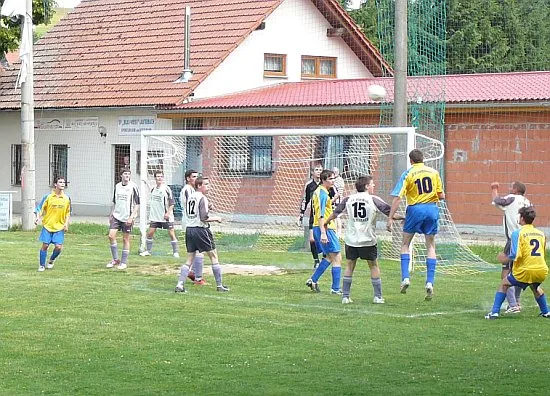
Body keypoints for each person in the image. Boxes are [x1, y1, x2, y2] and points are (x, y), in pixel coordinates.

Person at [326, 175, 403, 304]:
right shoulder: (373, 199)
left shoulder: (348, 199)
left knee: (350, 265)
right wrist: (404, 218)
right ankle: (378, 297)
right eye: (372, 184)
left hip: (351, 240)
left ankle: (345, 296)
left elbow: (335, 213)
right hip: (368, 240)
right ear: (367, 186)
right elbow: (391, 214)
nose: (374, 186)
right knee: (373, 266)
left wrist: (325, 223)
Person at [387, 149, 445, 300]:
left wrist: (390, 217)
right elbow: (441, 196)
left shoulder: (408, 173)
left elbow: (398, 198)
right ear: (423, 159)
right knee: (431, 245)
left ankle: (405, 278)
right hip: (432, 208)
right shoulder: (434, 172)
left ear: (411, 160)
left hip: (415, 209)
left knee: (405, 244)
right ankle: (430, 282)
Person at [485, 206, 549, 319]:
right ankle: (546, 312)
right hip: (541, 270)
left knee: (504, 284)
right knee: (535, 286)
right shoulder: (541, 234)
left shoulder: (517, 233)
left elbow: (514, 254)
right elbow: (542, 253)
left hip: (525, 270)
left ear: (522, 218)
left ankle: (494, 313)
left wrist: (504, 258)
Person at [175, 176, 229, 293]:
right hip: (200, 230)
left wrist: (207, 207)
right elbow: (204, 217)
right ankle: (219, 285)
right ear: (199, 186)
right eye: (206, 184)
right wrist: (216, 218)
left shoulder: (191, 197)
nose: (209, 187)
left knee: (189, 259)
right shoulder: (202, 198)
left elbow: (196, 211)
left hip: (189, 229)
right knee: (213, 256)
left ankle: (180, 284)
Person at [491, 181, 531, 313]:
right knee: (519, 272)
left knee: (506, 273)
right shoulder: (528, 201)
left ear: (515, 190)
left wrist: (494, 188)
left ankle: (513, 304)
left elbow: (497, 200)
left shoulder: (512, 198)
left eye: (511, 187)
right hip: (527, 238)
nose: (509, 189)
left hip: (514, 239)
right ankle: (517, 302)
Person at [305, 169, 342, 294]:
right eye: (331, 179)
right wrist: (323, 232)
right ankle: (335, 289)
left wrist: (333, 200)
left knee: (328, 257)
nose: (333, 181)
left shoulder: (322, 192)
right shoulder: (321, 193)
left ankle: (313, 280)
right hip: (325, 227)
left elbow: (323, 207)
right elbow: (321, 214)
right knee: (337, 256)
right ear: (324, 180)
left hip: (320, 227)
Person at [34, 176, 71, 272]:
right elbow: (39, 209)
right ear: (55, 184)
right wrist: (37, 218)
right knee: (45, 245)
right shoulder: (48, 197)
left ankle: (51, 260)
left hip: (59, 227)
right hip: (48, 226)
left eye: (64, 182)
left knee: (58, 247)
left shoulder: (67, 199)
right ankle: (42, 265)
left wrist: (66, 224)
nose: (63, 184)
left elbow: (68, 212)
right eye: (60, 182)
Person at [139, 171, 179, 258]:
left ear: (163, 178)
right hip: (155, 217)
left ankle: (175, 252)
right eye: (157, 176)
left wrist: (168, 213)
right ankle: (148, 251)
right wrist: (146, 183)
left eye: (161, 176)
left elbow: (172, 203)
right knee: (149, 234)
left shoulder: (166, 189)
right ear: (155, 178)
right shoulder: (154, 189)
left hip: (165, 217)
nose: (159, 178)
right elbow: (151, 189)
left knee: (171, 234)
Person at [107, 168, 140, 270]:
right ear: (121, 175)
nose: (127, 176)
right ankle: (116, 259)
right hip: (117, 216)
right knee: (111, 236)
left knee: (125, 239)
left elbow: (137, 204)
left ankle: (124, 262)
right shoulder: (117, 186)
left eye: (128, 174)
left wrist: (132, 217)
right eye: (125, 174)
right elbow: (115, 201)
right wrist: (112, 213)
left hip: (127, 217)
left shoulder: (133, 186)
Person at [180, 169, 208, 285]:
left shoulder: (192, 190)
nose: (196, 178)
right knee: (198, 251)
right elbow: (190, 206)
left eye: (197, 176)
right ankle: (197, 277)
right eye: (194, 176)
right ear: (188, 178)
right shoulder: (188, 190)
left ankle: (194, 274)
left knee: (195, 252)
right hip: (191, 222)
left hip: (191, 222)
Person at [299, 164, 323, 268]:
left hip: (324, 216)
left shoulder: (325, 184)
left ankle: (325, 258)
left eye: (320, 170)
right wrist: (301, 214)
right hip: (313, 216)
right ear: (312, 172)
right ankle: (316, 260)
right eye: (317, 170)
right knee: (312, 239)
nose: (319, 172)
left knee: (323, 238)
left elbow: (334, 196)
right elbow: (305, 200)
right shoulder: (309, 186)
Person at [331, 166, 345, 237]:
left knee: (337, 217)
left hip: (337, 201)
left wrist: (336, 200)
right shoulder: (334, 180)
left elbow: (339, 192)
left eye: (336, 172)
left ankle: (339, 232)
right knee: (334, 217)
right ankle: (335, 231)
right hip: (334, 201)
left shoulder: (339, 180)